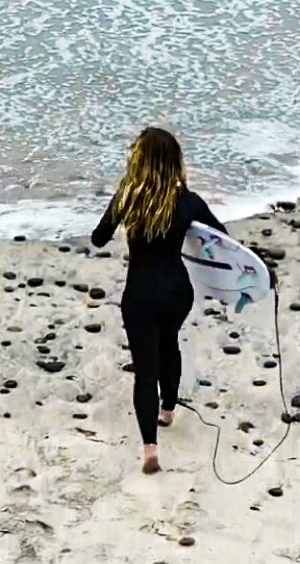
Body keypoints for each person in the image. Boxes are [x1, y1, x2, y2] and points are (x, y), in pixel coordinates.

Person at [92, 127, 228, 474]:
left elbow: (99, 238)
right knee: (169, 344)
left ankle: (150, 449)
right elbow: (222, 240)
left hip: (139, 292)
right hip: (177, 290)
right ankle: (168, 409)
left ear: (139, 159)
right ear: (174, 162)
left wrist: (121, 215)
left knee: (144, 369)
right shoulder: (189, 202)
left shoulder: (128, 196)